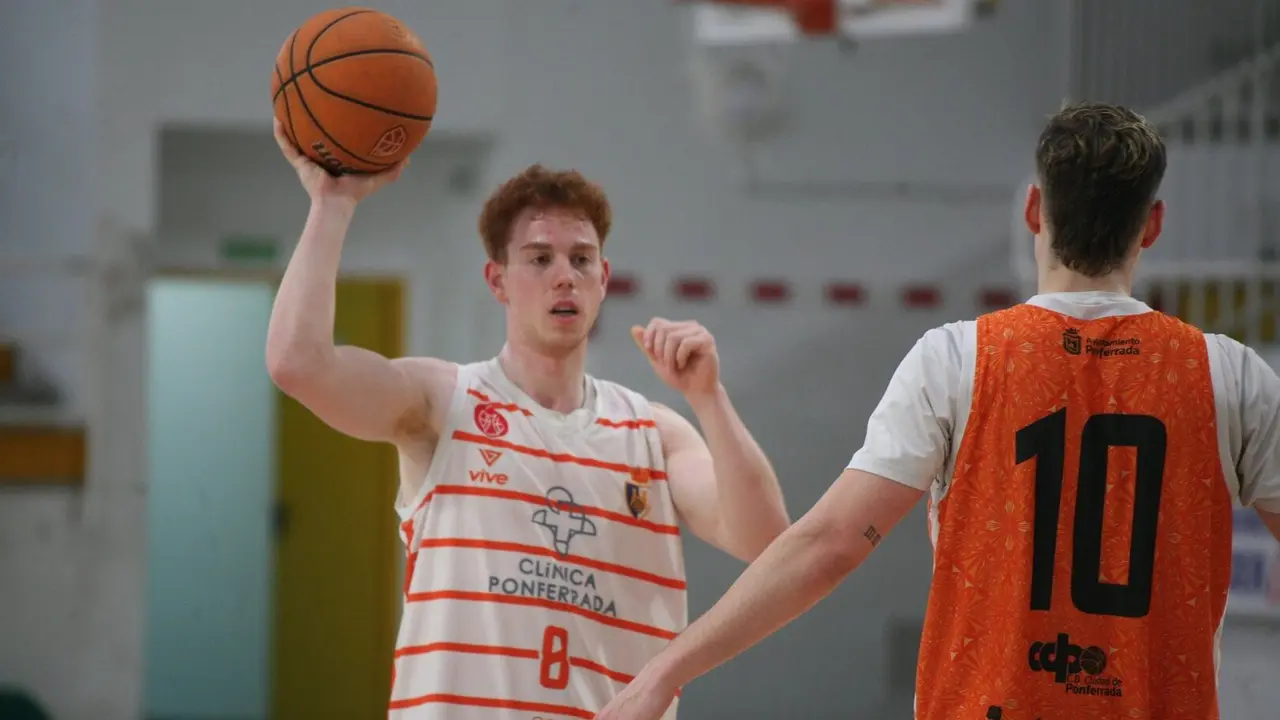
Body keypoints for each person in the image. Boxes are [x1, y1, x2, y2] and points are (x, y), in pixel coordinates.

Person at [595, 101, 1280, 720]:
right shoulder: (1230, 377)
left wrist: (665, 670)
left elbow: (829, 546)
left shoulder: (958, 360)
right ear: (1152, 224)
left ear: (1035, 211)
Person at [264, 120, 789, 719]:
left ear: (603, 279)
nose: (565, 274)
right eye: (539, 258)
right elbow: (297, 364)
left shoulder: (654, 432)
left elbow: (768, 543)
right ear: (498, 281)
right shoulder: (443, 402)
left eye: (581, 259)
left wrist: (710, 398)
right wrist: (331, 204)